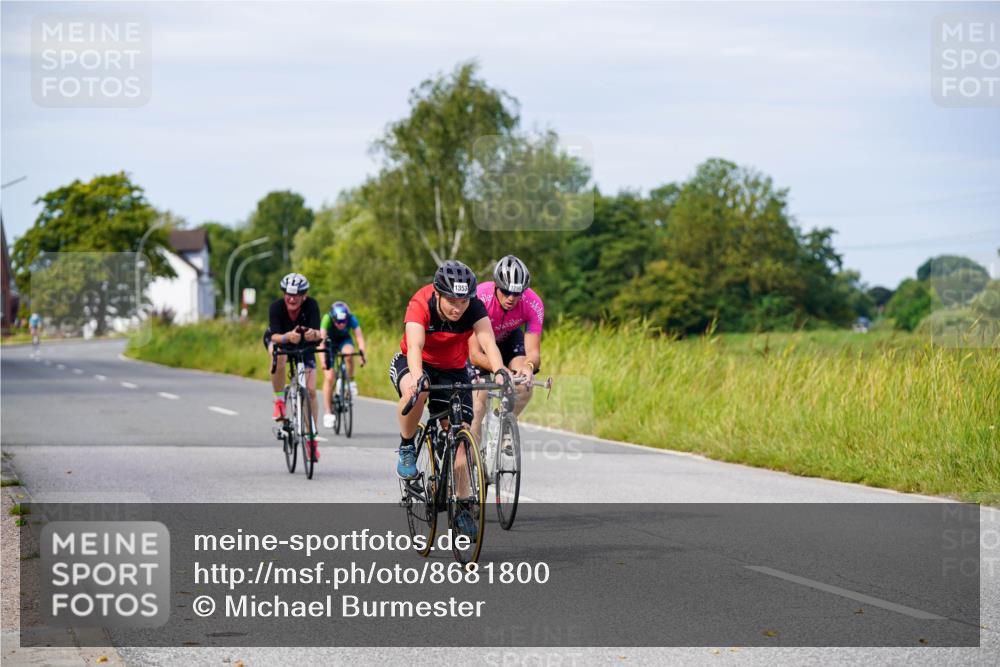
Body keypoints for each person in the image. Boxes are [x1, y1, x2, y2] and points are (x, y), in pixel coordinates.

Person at [389, 260, 507, 540]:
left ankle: (463, 508)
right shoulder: (420, 302)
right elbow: (415, 346)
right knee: (417, 391)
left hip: (454, 369)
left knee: (461, 443)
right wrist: (420, 378)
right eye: (452, 301)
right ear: (438, 294)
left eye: (463, 301)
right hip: (415, 362)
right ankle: (407, 445)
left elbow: (488, 342)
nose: (458, 308)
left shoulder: (474, 308)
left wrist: (500, 370)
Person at [468, 255, 544, 443]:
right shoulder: (479, 298)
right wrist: (501, 370)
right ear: (496, 285)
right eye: (506, 291)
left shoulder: (533, 303)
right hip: (481, 342)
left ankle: (501, 422)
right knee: (478, 405)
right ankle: (473, 461)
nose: (511, 298)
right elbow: (475, 355)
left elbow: (534, 353)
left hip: (509, 337)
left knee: (524, 384)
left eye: (517, 293)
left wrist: (527, 366)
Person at [263, 273, 323, 462]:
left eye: (296, 295)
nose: (291, 298)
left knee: (311, 391)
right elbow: (273, 336)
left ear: (304, 295)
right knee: (278, 355)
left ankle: (311, 440)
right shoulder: (276, 307)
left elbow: (318, 333)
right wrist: (287, 336)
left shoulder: (312, 305)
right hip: (280, 340)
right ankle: (279, 401)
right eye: (288, 294)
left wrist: (313, 334)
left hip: (304, 345)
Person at [320, 301, 367, 429]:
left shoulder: (352, 318)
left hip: (344, 341)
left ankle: (350, 381)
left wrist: (362, 354)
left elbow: (359, 338)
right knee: (329, 377)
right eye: (338, 322)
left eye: (343, 322)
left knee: (349, 354)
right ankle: (328, 412)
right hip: (329, 342)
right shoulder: (327, 318)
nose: (341, 325)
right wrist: (323, 360)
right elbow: (321, 341)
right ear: (333, 318)